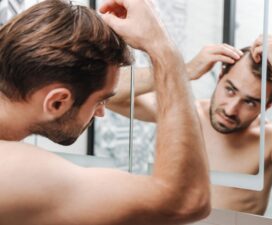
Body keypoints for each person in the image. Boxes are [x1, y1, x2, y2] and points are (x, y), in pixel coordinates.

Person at [0, 0, 211, 224]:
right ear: (57, 103)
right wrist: (162, 48)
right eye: (101, 100)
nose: (101, 112)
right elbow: (187, 200)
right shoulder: (14, 170)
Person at [107, 35, 272, 215]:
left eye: (250, 102)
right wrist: (184, 70)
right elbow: (108, 94)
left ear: (268, 105)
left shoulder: (271, 140)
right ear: (220, 77)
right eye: (230, 90)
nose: (231, 110)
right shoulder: (188, 114)